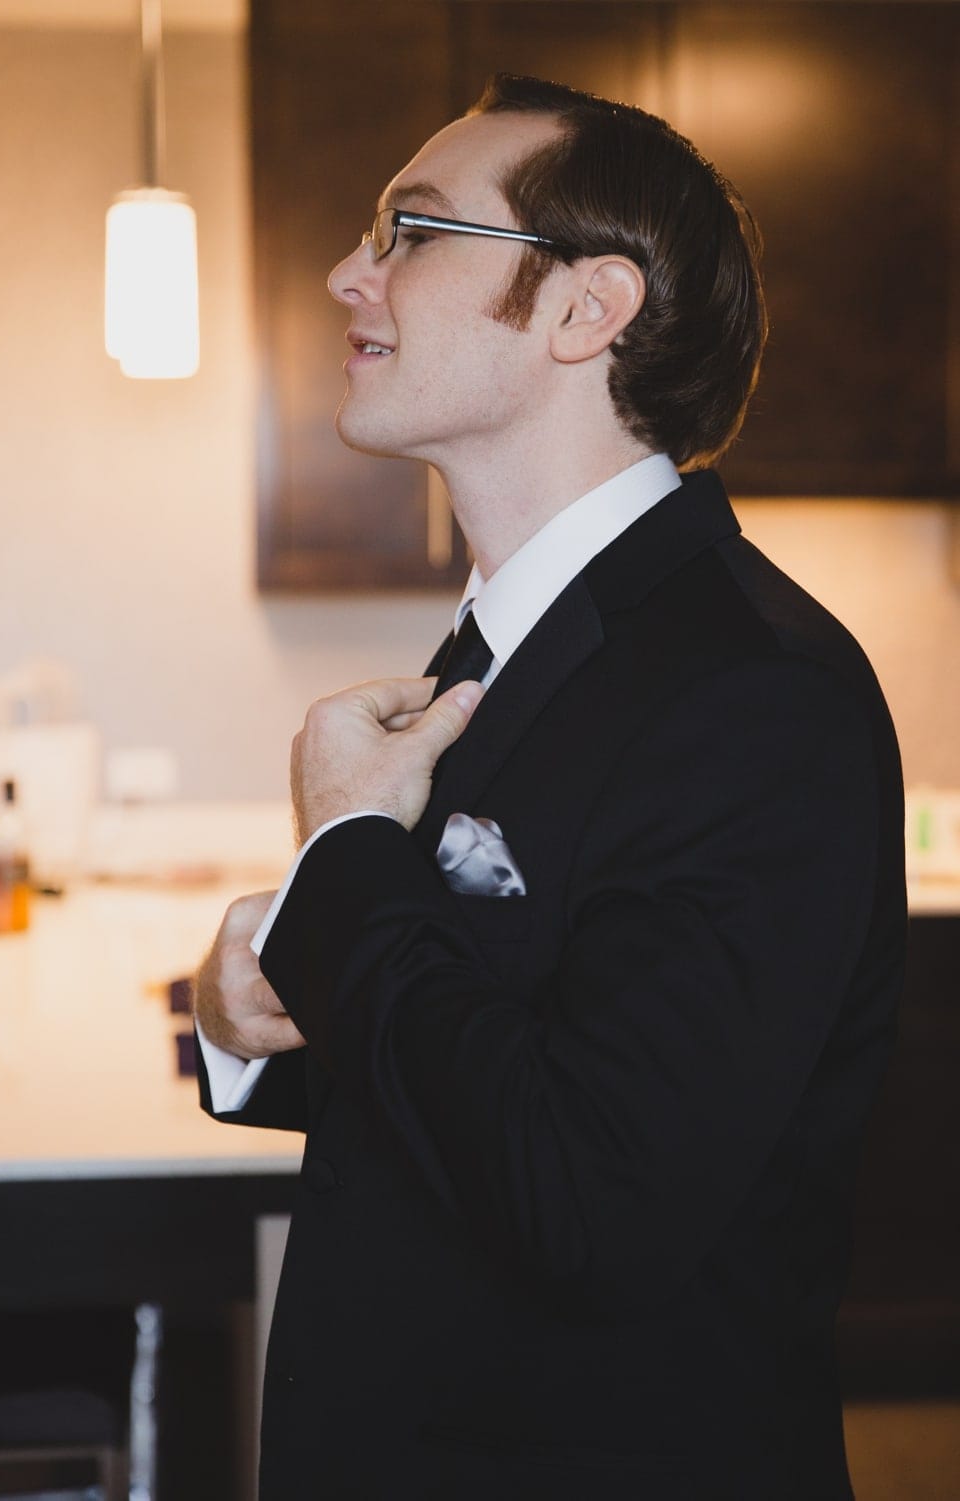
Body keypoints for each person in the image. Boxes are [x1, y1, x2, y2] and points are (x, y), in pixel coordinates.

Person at [194, 74, 906, 1501]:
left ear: (586, 311)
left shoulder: (759, 695)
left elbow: (586, 1195)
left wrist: (345, 854)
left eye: (412, 228)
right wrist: (246, 1019)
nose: (350, 269)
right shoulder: (510, 645)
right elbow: (479, 1047)